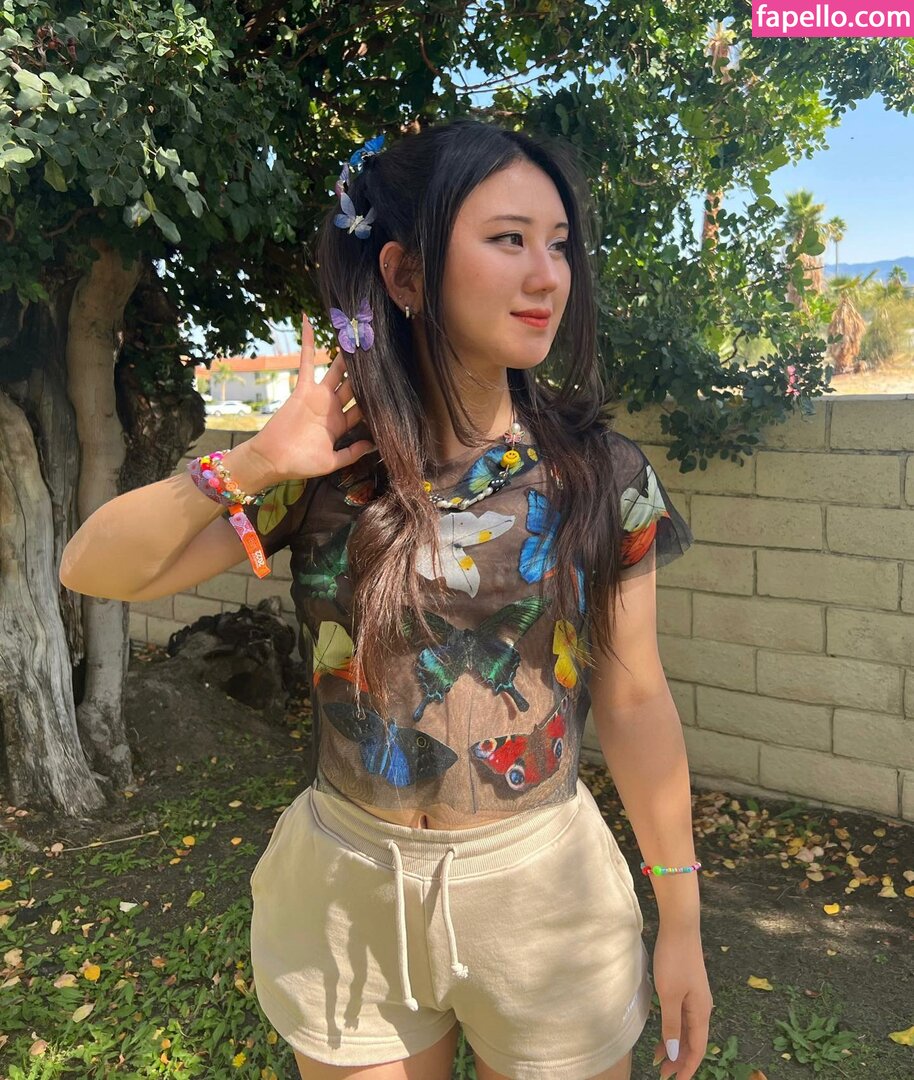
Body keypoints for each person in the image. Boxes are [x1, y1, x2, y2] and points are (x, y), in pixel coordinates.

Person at [60, 118, 713, 1080]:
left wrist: (681, 919)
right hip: (347, 890)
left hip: (541, 893)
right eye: (508, 239)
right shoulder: (327, 467)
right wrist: (251, 463)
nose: (548, 276)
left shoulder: (599, 476)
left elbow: (635, 695)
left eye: (559, 244)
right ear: (405, 274)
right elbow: (91, 568)